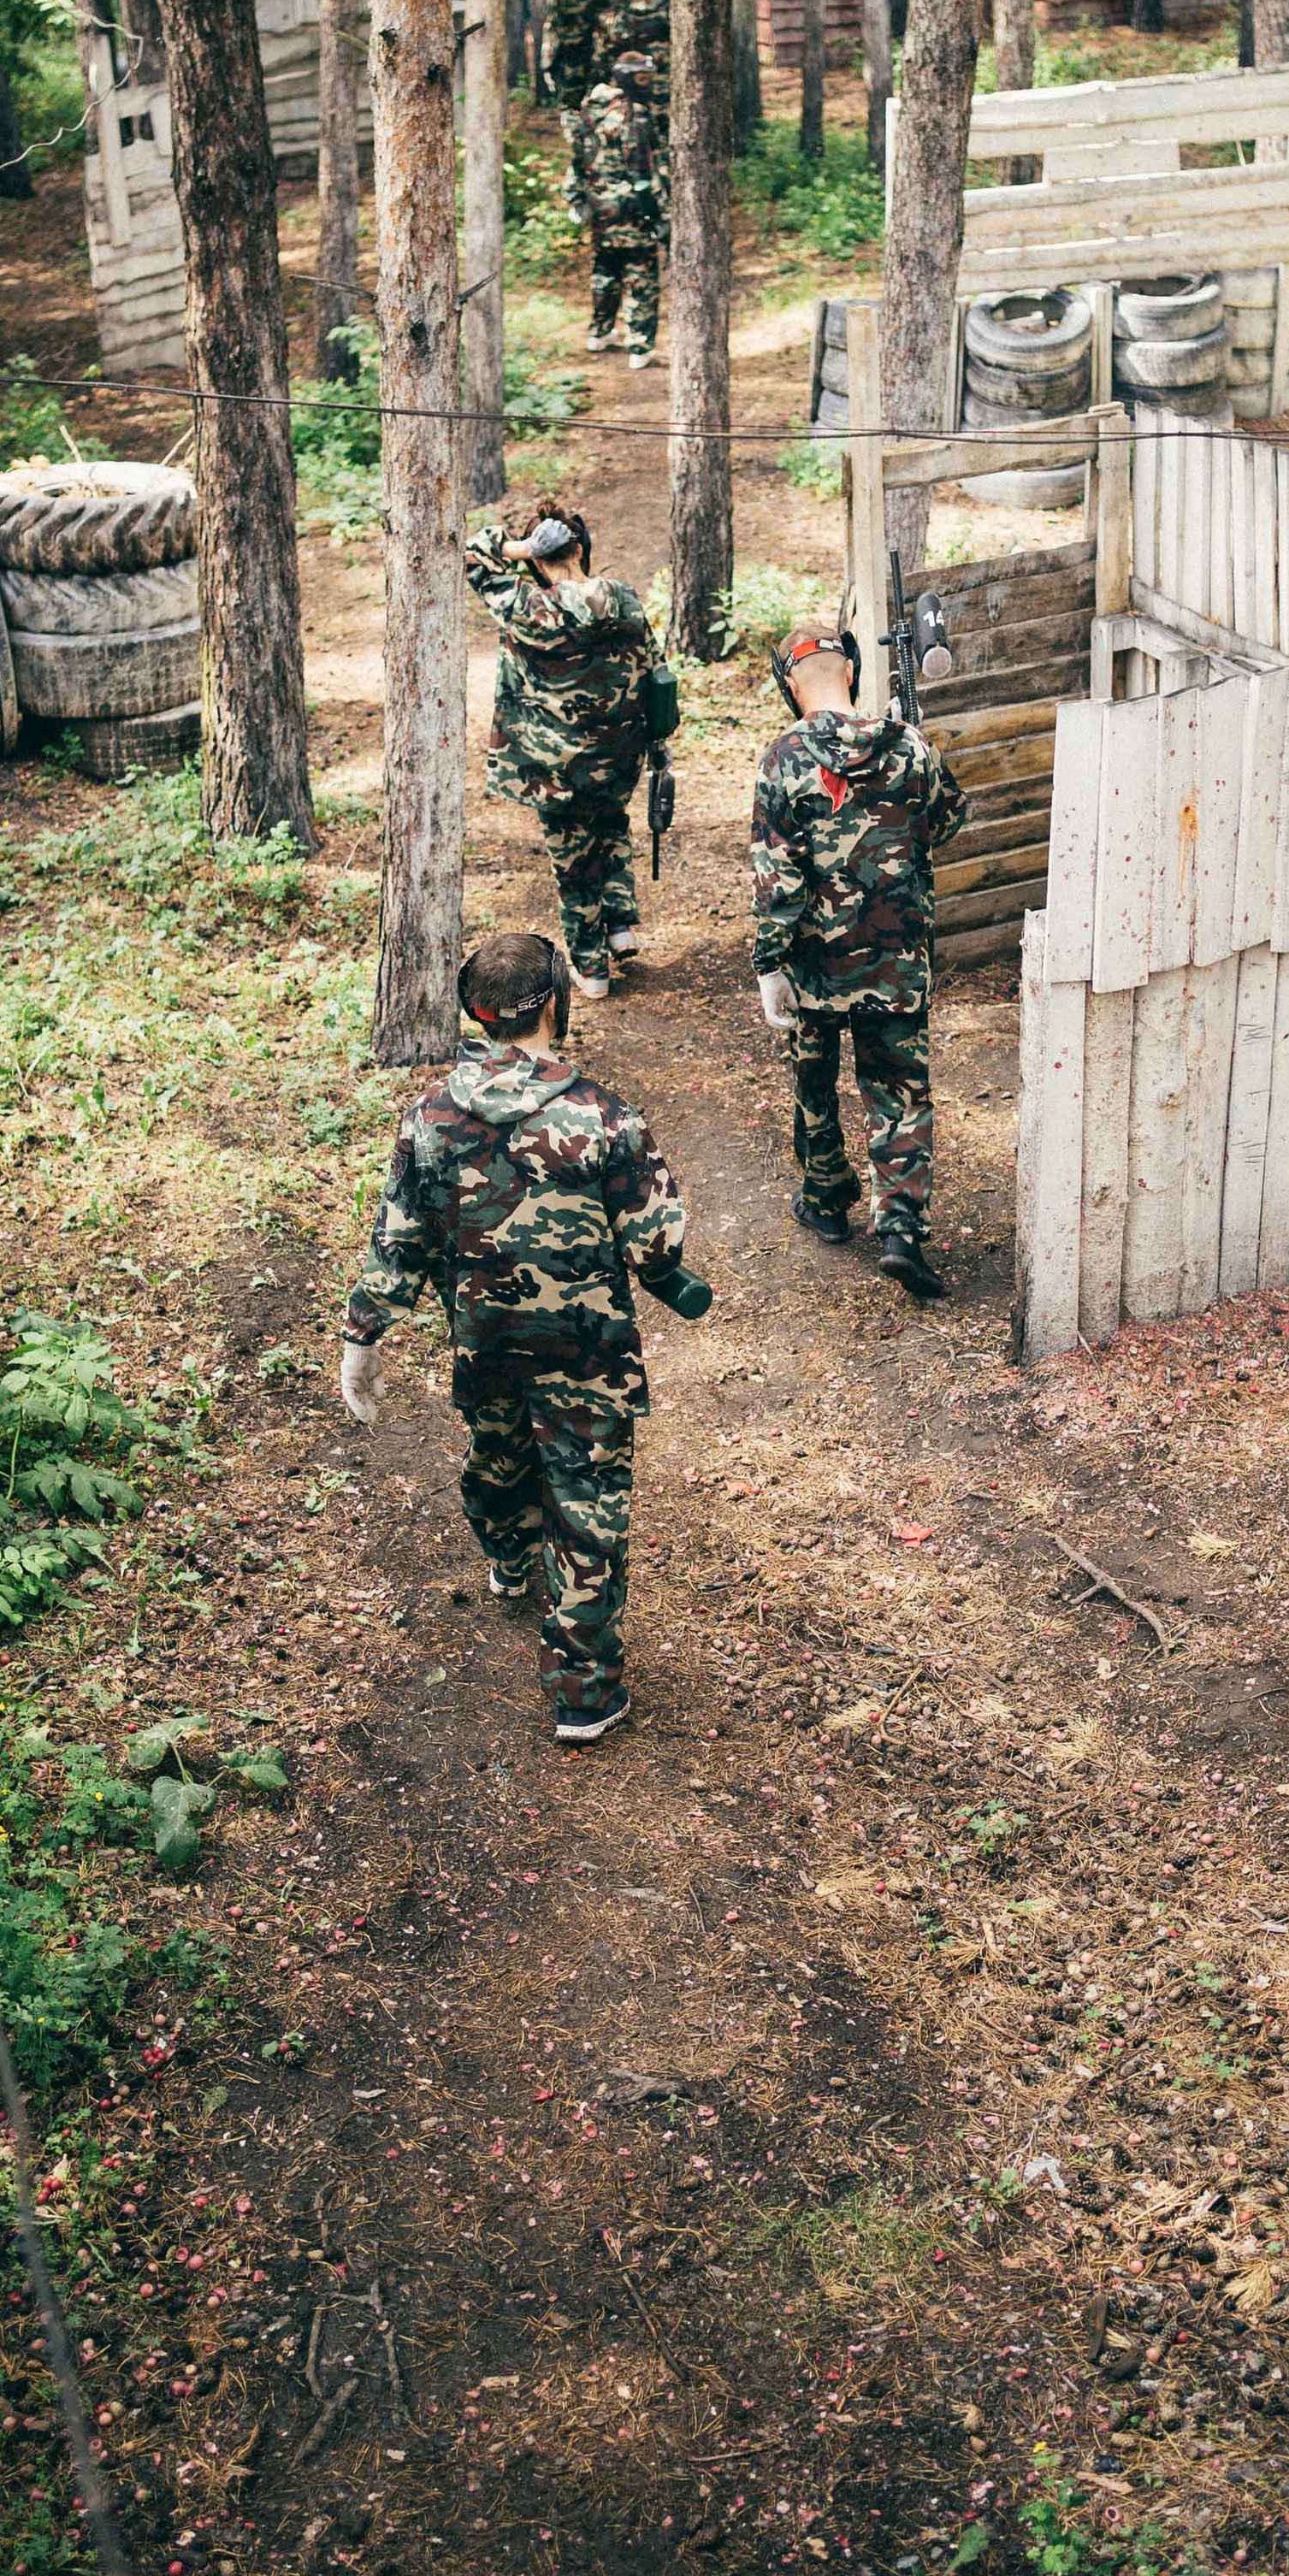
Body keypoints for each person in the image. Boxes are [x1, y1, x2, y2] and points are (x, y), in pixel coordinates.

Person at [340, 931, 711, 1744]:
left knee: (498, 1457)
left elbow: (398, 1239)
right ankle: (583, 1692)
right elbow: (656, 1244)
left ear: (475, 1012)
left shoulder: (429, 1117)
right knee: (589, 1506)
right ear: (555, 1005)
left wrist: (363, 1336)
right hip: (589, 1353)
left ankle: (511, 1558)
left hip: (486, 1340)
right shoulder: (605, 1116)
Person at [750, 628, 967, 1301]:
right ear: (849, 670)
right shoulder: (906, 744)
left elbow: (776, 876)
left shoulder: (783, 757)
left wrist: (769, 964)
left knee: (814, 1082)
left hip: (816, 967)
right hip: (896, 958)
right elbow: (950, 820)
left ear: (791, 685)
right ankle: (900, 1230)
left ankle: (825, 1200)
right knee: (898, 1093)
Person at [464, 502, 657, 997]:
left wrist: (519, 547)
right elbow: (652, 667)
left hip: (554, 769)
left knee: (572, 861)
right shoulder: (627, 599)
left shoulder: (529, 609)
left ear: (538, 558)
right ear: (581, 549)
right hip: (620, 755)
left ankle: (591, 970)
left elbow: (472, 556)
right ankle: (621, 927)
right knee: (611, 825)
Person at [566, 53, 662, 368]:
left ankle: (600, 333)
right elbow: (647, 167)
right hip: (633, 209)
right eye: (642, 78)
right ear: (626, 78)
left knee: (605, 271)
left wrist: (575, 198)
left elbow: (577, 160)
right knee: (640, 276)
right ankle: (639, 347)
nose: (647, 84)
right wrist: (661, 214)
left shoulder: (585, 112)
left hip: (598, 207)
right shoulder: (636, 115)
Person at [547, 0, 613, 160]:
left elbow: (553, 26)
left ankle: (589, 150)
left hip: (586, 57)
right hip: (576, 57)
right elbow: (554, 25)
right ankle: (584, 151)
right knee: (576, 105)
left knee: (585, 103)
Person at [605, 0, 671, 150]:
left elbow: (607, 53)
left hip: (641, 88)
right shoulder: (665, 10)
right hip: (656, 87)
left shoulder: (617, 16)